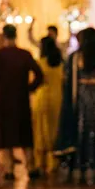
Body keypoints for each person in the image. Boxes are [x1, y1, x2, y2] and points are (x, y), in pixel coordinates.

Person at [55, 27, 95, 184]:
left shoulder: (75, 57)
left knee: (81, 132)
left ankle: (80, 172)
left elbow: (66, 80)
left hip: (81, 99)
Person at [0, 24, 44, 183]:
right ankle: (30, 167)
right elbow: (39, 74)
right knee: (24, 134)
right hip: (21, 98)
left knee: (5, 135)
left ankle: (9, 169)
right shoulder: (24, 54)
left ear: (4, 37)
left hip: (3, 99)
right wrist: (29, 88)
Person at [32, 36, 64, 176]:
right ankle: (54, 163)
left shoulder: (39, 63)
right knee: (55, 130)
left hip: (42, 99)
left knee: (40, 131)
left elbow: (33, 81)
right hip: (58, 99)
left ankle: (40, 163)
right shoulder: (61, 64)